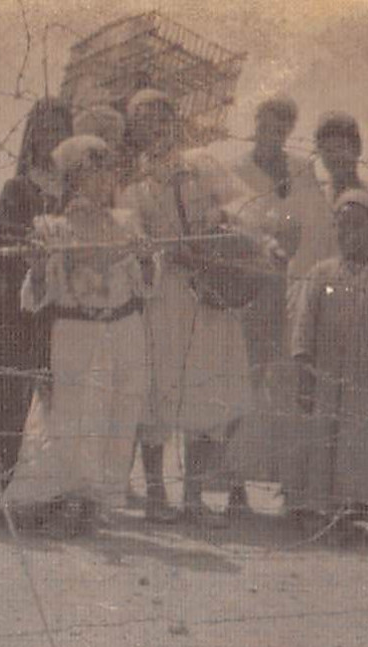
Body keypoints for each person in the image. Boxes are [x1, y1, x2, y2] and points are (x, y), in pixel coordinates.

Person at [1, 136, 158, 536]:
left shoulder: (125, 222)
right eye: (94, 170)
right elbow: (36, 297)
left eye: (108, 170)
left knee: (118, 412)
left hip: (124, 328)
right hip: (75, 328)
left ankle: (97, 501)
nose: (104, 179)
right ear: (72, 177)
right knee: (70, 412)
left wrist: (143, 258)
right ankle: (62, 497)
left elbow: (145, 288)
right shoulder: (52, 228)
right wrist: (37, 266)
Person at [119, 89, 255, 526]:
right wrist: (158, 251)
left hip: (206, 288)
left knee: (204, 389)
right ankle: (157, 493)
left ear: (174, 120)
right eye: (142, 118)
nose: (153, 125)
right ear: (133, 130)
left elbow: (244, 208)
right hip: (163, 296)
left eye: (161, 114)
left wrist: (220, 227)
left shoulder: (200, 163)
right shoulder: (132, 183)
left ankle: (194, 495)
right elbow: (131, 238)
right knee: (159, 390)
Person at [224, 94, 338, 513]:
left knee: (286, 388)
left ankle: (288, 483)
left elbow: (320, 228)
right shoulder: (235, 171)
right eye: (265, 125)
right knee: (245, 384)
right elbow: (234, 227)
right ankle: (234, 484)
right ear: (255, 124)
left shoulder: (301, 170)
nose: (272, 134)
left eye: (281, 128)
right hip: (250, 291)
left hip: (293, 292)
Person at [288, 190, 368, 536]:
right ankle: (318, 507)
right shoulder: (321, 274)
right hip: (327, 375)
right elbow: (304, 324)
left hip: (367, 380)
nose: (349, 236)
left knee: (361, 441)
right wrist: (304, 368)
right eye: (342, 228)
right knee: (324, 438)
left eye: (358, 228)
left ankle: (360, 507)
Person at [0, 99, 74, 473]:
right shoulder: (16, 189)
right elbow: (8, 249)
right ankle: (7, 480)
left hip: (69, 309)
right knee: (20, 397)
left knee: (63, 399)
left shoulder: (78, 193)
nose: (52, 138)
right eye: (45, 130)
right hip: (24, 308)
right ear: (32, 136)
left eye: (60, 130)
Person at [314, 111, 368, 205]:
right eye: (328, 150)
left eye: (341, 148)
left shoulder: (366, 197)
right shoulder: (318, 195)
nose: (335, 157)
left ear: (357, 148)